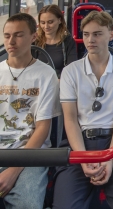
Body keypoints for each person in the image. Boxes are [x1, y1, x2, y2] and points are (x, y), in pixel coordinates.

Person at [53, 11, 113, 209]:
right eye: (86, 34)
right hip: (79, 143)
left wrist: (110, 158)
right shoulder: (71, 72)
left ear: (112, 34)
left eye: (97, 34)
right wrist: (83, 157)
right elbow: (70, 120)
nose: (90, 40)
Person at [0, 13, 61, 208]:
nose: (11, 41)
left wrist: (13, 170)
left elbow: (43, 128)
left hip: (31, 153)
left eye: (18, 35)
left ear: (34, 36)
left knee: (26, 204)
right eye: (7, 35)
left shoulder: (45, 75)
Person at [34, 4, 77, 78]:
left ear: (59, 20)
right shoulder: (35, 41)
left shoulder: (68, 41)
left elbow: (71, 69)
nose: (46, 26)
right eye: (43, 23)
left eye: (50, 22)